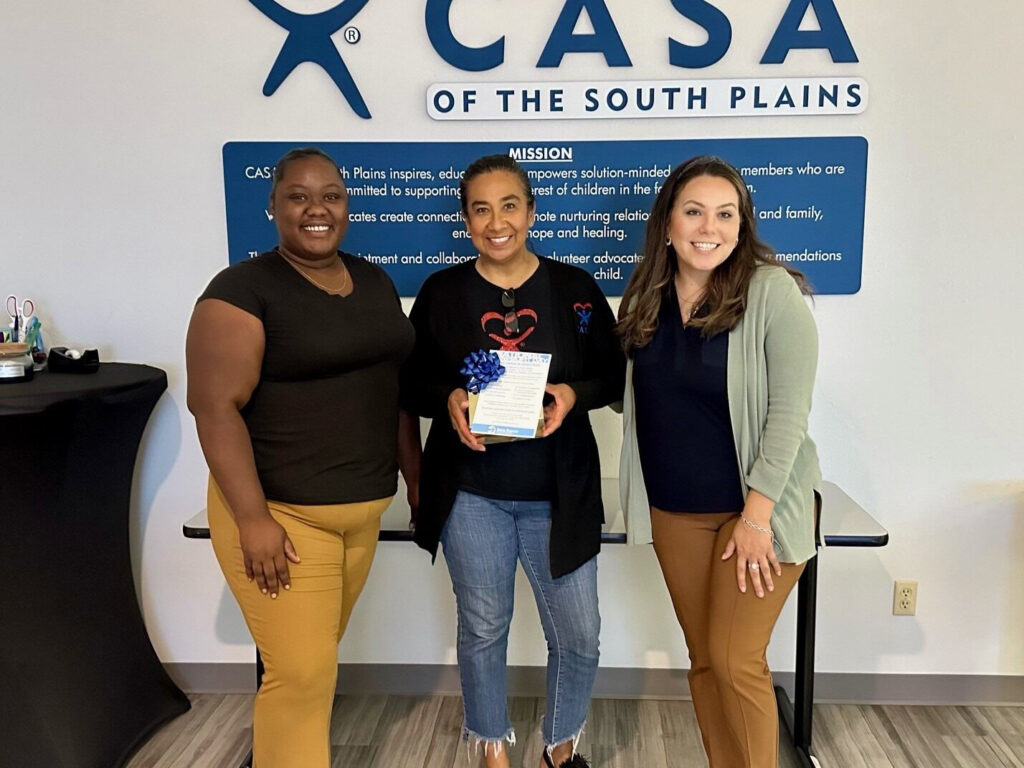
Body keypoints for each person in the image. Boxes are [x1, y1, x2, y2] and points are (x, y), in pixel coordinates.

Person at [186, 147, 416, 768]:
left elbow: (392, 388)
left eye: (331, 195)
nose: (317, 208)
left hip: (361, 512)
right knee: (302, 676)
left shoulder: (373, 280)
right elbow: (215, 408)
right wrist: (254, 520)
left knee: (314, 664)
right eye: (298, 196)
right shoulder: (240, 290)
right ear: (274, 207)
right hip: (283, 517)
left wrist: (418, 488)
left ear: (346, 204)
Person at [401, 154, 624, 768]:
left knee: (578, 635)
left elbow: (614, 373)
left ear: (530, 211)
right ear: (466, 220)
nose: (496, 221)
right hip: (472, 491)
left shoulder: (573, 289)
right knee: (483, 628)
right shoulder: (443, 293)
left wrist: (574, 394)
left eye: (509, 205)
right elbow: (410, 382)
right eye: (481, 208)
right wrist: (446, 397)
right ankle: (492, 750)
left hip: (560, 491)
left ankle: (559, 746)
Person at [617, 155, 821, 768]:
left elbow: (788, 416)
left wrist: (757, 517)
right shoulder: (646, 293)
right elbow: (626, 391)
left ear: (742, 223)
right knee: (705, 661)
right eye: (695, 211)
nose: (710, 227)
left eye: (725, 213)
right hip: (675, 511)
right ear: (669, 223)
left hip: (755, 513)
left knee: (737, 661)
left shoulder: (772, 291)